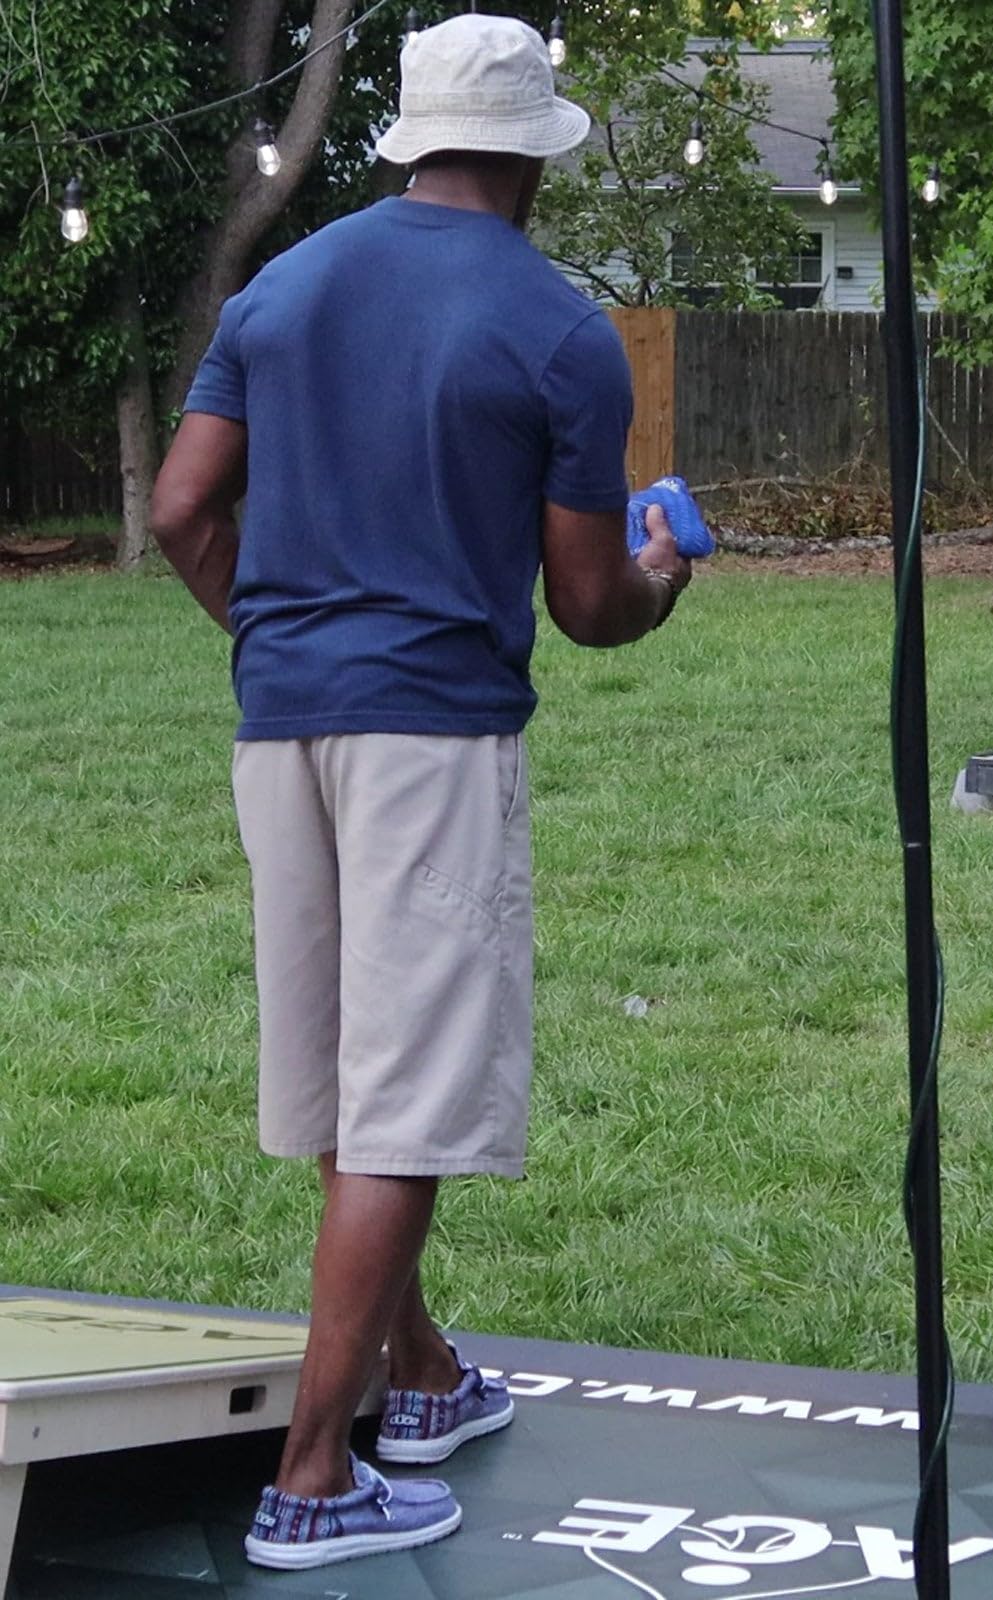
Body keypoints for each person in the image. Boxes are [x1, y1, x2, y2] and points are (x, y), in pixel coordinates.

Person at [149, 13, 690, 1570]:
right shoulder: (558, 329)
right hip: (432, 739)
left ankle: (426, 1375)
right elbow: (588, 605)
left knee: (349, 1076)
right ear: (531, 150)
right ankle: (315, 1480)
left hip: (281, 729)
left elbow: (186, 508)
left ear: (407, 137)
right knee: (409, 1099)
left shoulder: (283, 284)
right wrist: (662, 569)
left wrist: (278, 637)